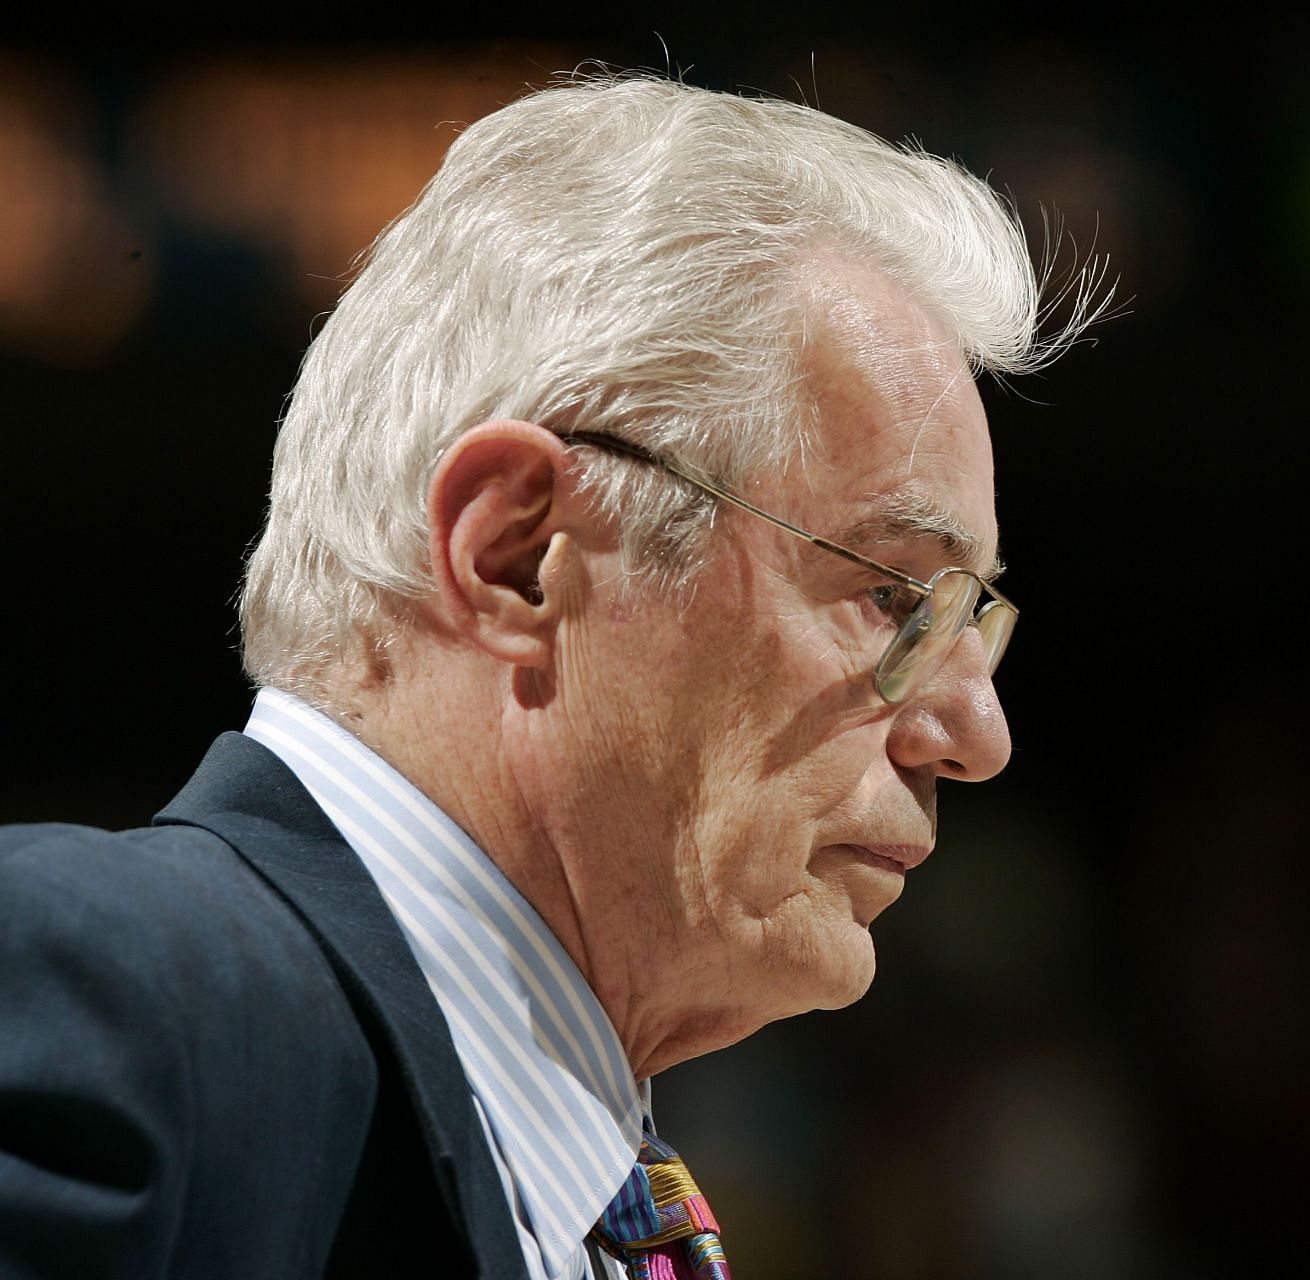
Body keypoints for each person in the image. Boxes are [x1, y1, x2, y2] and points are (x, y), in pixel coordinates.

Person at [0, 74, 1106, 1279]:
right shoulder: (93, 991)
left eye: (970, 619)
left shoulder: (596, 1185)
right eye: (894, 596)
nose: (974, 732)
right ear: (520, 556)